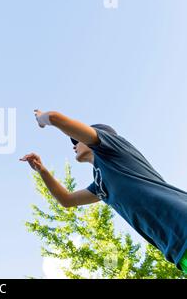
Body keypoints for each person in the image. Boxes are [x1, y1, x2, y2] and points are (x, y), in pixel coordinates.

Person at [20, 110, 187, 273]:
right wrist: (42, 170)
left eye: (76, 140)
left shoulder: (112, 147)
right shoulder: (101, 183)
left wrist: (41, 118)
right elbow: (66, 200)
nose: (74, 145)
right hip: (175, 250)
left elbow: (55, 118)